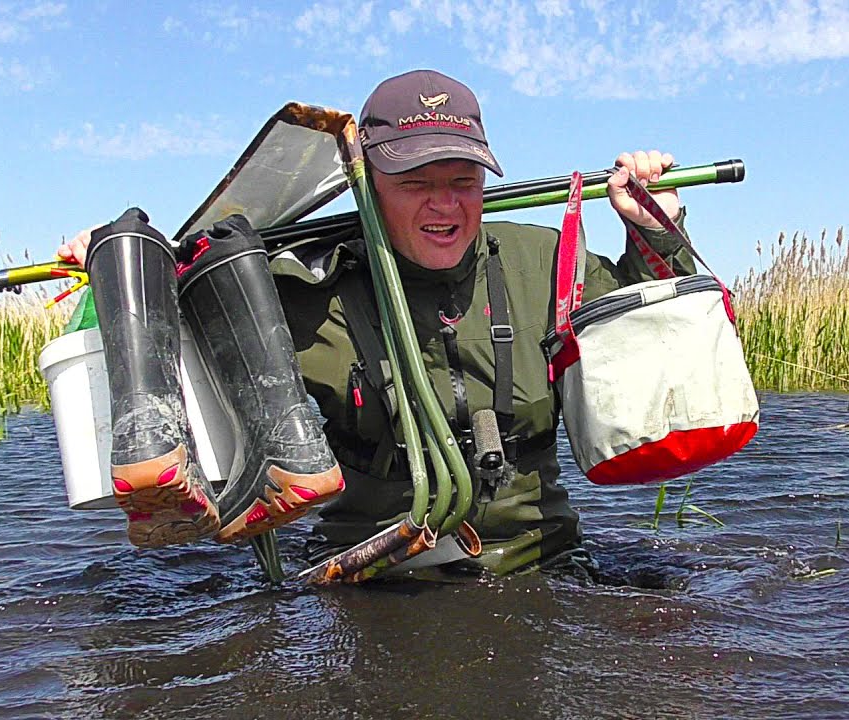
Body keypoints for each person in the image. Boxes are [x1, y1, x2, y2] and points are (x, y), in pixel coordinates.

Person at [58, 69, 696, 575]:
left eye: (464, 178)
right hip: (372, 578)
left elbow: (653, 346)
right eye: (416, 180)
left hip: (543, 564)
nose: (443, 202)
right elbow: (163, 337)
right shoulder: (301, 290)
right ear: (365, 180)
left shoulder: (550, 262)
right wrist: (116, 271)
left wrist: (654, 233)